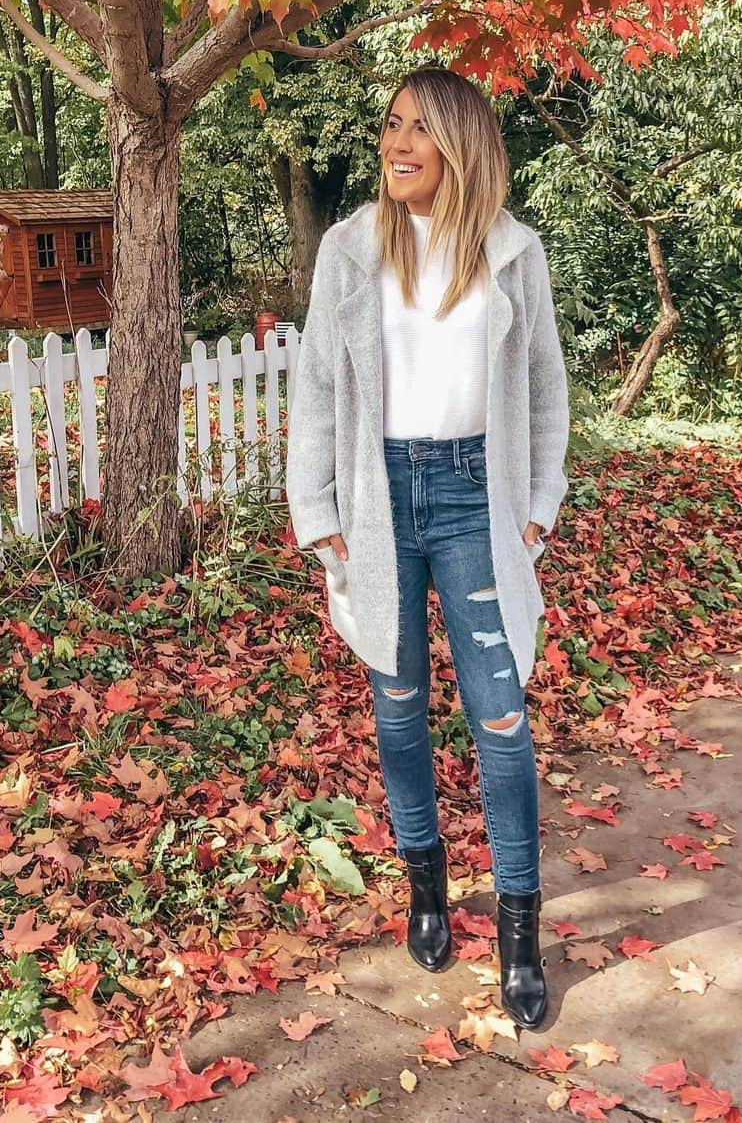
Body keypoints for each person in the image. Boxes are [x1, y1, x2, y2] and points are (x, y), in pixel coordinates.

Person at [284, 65, 570, 1030]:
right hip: (377, 496)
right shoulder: (349, 249)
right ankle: (427, 890)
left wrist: (539, 499)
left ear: (462, 145)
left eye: (420, 130)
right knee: (399, 705)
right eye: (391, 126)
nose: (398, 145)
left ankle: (522, 937)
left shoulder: (511, 253)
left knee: (500, 718)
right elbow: (319, 383)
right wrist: (314, 504)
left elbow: (542, 387)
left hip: (473, 495)